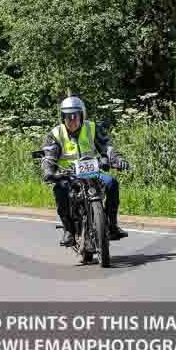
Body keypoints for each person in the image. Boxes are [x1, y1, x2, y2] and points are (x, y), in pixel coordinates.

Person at [40, 96, 130, 246]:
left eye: (75, 115)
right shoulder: (55, 134)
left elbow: (107, 148)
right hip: (68, 175)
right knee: (59, 190)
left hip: (93, 172)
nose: (72, 120)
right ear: (63, 117)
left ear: (82, 115)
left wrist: (117, 160)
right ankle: (69, 230)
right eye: (68, 116)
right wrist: (49, 171)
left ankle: (112, 225)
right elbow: (49, 156)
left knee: (112, 183)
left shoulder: (93, 128)